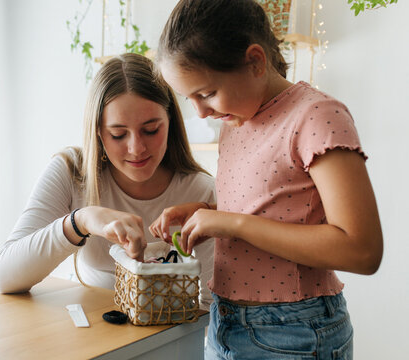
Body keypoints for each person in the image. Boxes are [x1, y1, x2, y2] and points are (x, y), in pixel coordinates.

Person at [148, 0, 383, 359]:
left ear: (256, 61)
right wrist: (208, 213)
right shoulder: (237, 119)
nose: (201, 112)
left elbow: (362, 250)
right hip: (224, 324)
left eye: (207, 93)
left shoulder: (316, 116)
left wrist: (233, 223)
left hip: (294, 333)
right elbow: (279, 211)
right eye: (189, 98)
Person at [0, 53, 216, 308]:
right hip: (90, 331)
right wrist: (81, 221)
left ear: (171, 122)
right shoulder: (71, 172)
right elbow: (4, 277)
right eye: (118, 134)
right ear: (97, 132)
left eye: (151, 130)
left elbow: (211, 306)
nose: (137, 148)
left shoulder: (201, 191)